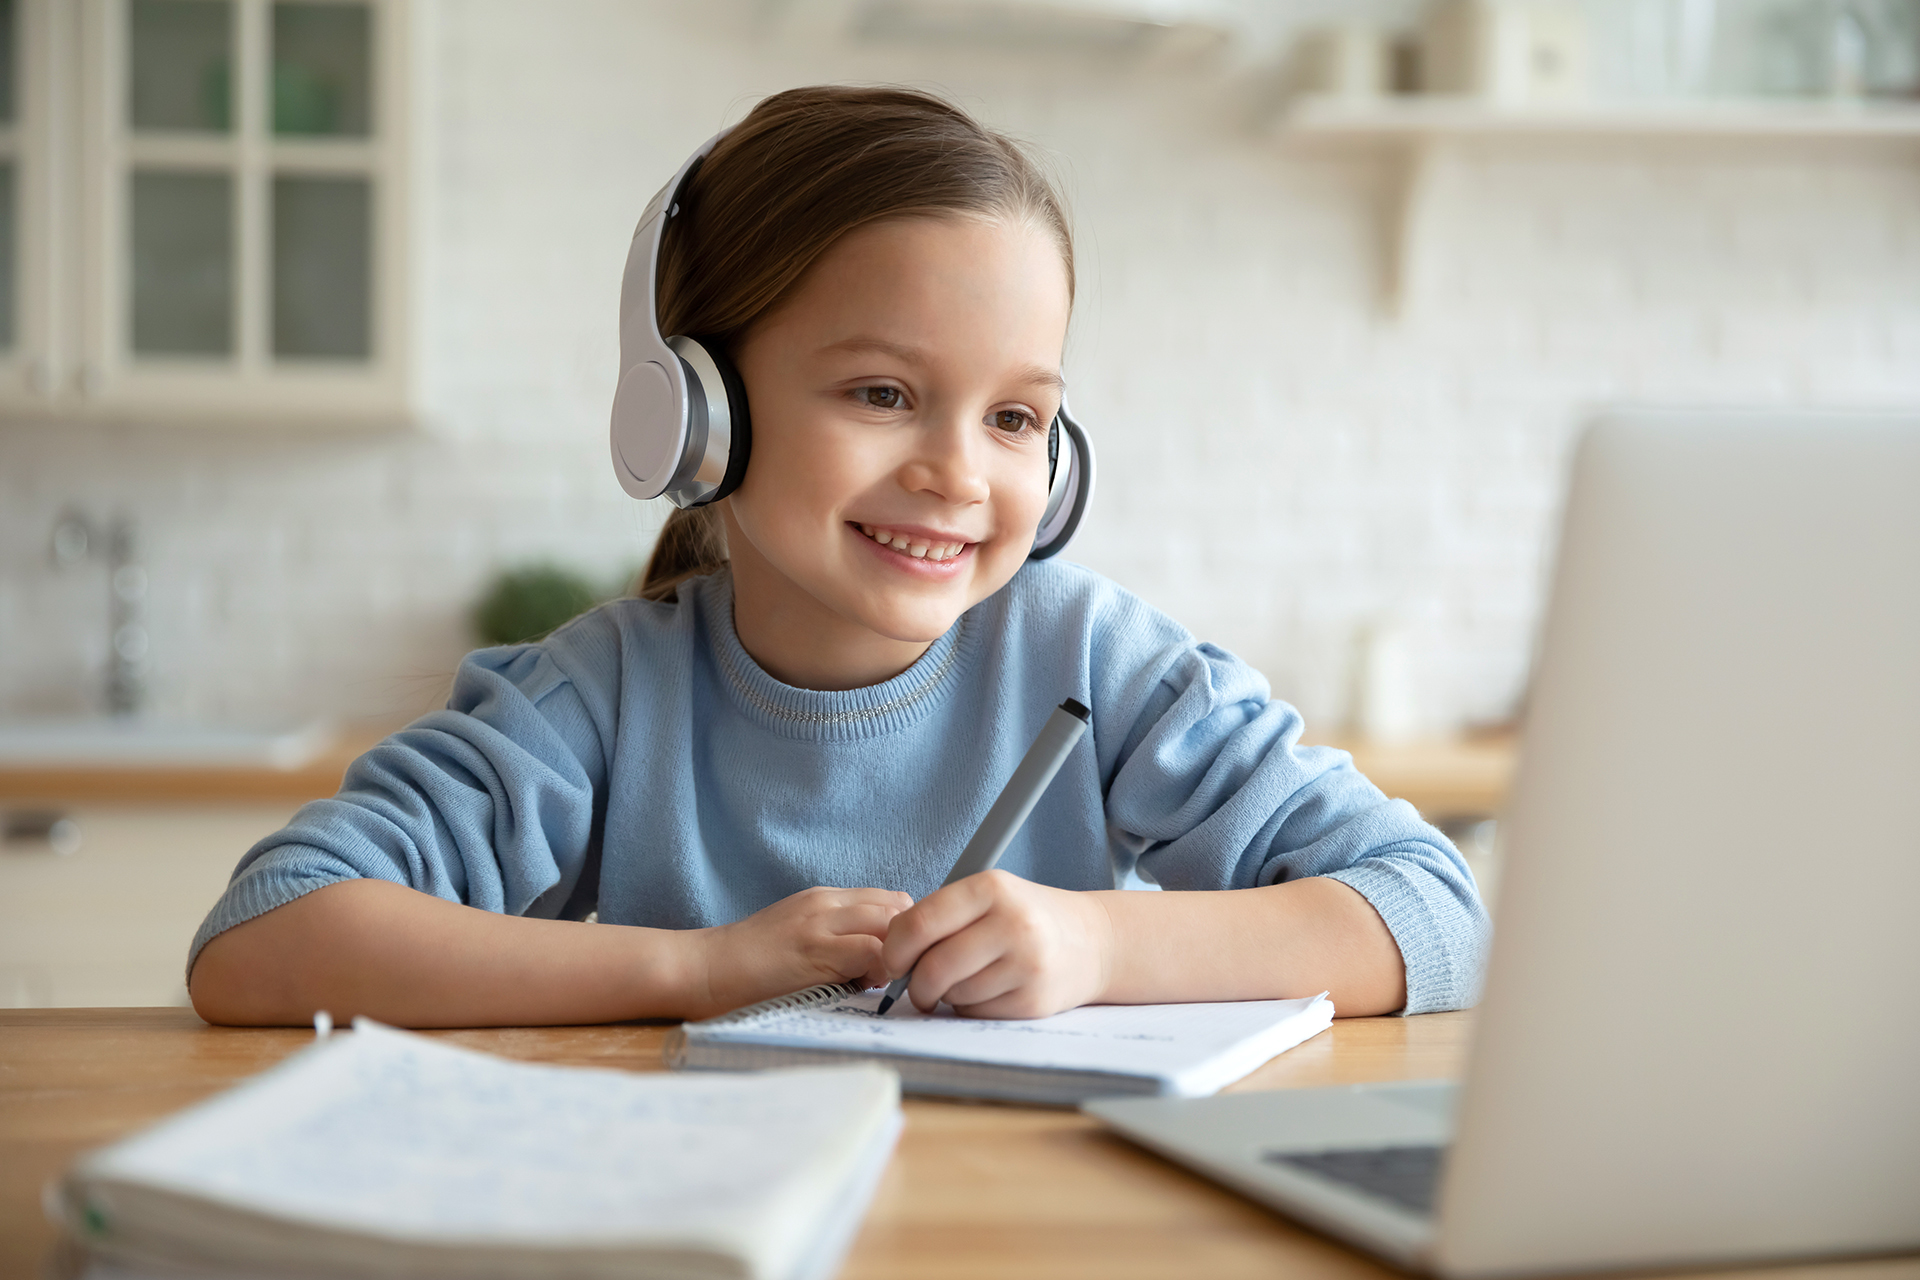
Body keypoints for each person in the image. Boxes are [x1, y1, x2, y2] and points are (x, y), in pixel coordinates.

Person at [187, 86, 1487, 1029]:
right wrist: (696, 971)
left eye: (1016, 418)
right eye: (880, 392)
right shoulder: (595, 704)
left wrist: (1099, 940)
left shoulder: (1107, 667)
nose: (959, 474)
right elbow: (264, 933)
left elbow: (1434, 910)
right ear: (696, 414)